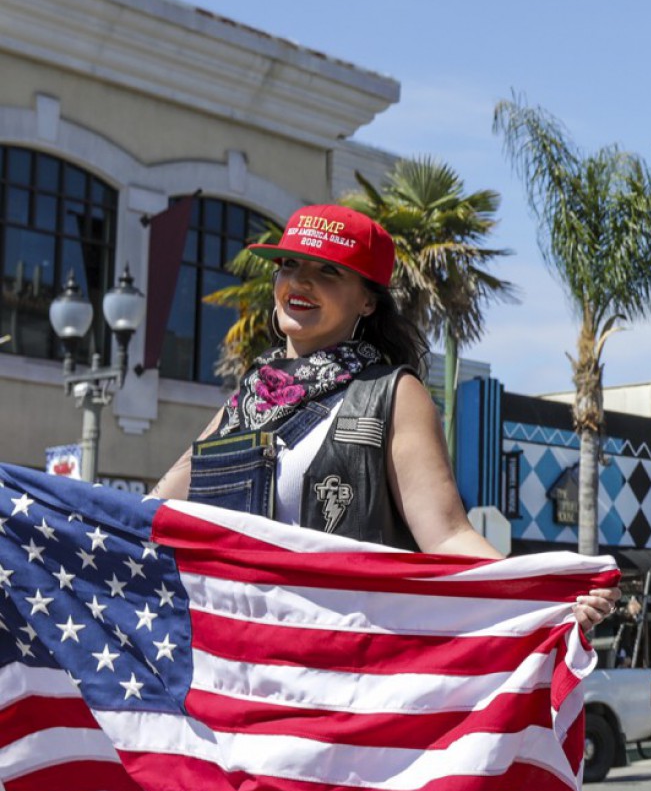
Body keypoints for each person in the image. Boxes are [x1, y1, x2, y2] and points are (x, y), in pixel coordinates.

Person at [152, 204, 614, 629]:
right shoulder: (249, 397)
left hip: (334, 665)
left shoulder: (393, 393)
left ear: (367, 301)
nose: (300, 282)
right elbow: (155, 510)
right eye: (289, 265)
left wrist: (544, 597)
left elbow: (448, 535)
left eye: (327, 271)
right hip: (227, 656)